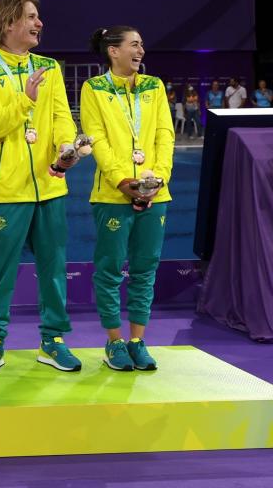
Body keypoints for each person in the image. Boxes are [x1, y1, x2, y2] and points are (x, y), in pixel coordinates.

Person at [0, 0, 82, 375]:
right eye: (31, 17)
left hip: (50, 185)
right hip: (6, 189)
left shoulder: (49, 67)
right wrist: (23, 102)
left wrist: (67, 144)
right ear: (8, 24)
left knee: (53, 266)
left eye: (39, 16)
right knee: (0, 269)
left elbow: (62, 115)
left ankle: (53, 340)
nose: (39, 23)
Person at [80, 26, 174, 371]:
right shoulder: (94, 88)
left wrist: (158, 177)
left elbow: (165, 133)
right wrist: (123, 180)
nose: (141, 51)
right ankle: (114, 341)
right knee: (109, 271)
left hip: (155, 191)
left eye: (142, 45)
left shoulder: (154, 86)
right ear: (113, 51)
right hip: (112, 194)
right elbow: (96, 139)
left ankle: (137, 340)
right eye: (134, 44)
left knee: (145, 269)